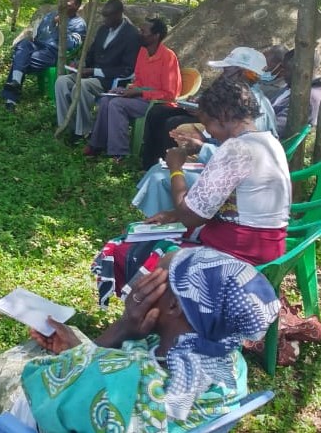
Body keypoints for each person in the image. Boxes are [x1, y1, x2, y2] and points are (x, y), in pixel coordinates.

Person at [0, 248, 279, 433]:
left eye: (157, 275)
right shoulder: (231, 366)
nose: (144, 279)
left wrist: (124, 326)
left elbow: (43, 391)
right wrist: (84, 351)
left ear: (173, 306)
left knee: (9, 368)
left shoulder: (117, 379)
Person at [95, 78, 291, 306]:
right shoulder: (268, 141)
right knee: (147, 236)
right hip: (265, 247)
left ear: (224, 115)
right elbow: (225, 203)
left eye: (207, 124)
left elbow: (191, 215)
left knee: (125, 249)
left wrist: (176, 169)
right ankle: (156, 318)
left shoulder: (236, 148)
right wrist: (172, 214)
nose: (208, 132)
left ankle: (148, 321)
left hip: (239, 254)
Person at [133, 46, 279, 216]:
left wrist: (177, 168)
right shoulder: (245, 106)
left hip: (240, 194)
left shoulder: (250, 111)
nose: (223, 74)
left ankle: (160, 229)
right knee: (158, 171)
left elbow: (191, 216)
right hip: (240, 188)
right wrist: (201, 145)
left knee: (160, 177)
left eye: (227, 70)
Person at [140, 45, 280, 170]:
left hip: (238, 161)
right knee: (159, 111)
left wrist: (204, 143)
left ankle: (169, 166)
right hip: (224, 140)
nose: (224, 71)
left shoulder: (251, 101)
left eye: (228, 68)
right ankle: (150, 165)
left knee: (174, 123)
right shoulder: (233, 88)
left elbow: (242, 148)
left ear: (242, 72)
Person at [85, 18, 181, 160]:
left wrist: (141, 91)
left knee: (117, 105)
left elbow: (170, 94)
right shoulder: (142, 52)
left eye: (143, 32)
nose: (139, 34)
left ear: (156, 36)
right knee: (106, 100)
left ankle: (119, 153)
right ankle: (97, 145)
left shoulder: (168, 57)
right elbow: (139, 80)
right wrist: (125, 89)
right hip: (140, 97)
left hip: (157, 104)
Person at [55, 0, 140, 137]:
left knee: (81, 86)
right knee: (61, 82)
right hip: (91, 75)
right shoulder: (103, 29)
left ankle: (83, 131)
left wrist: (95, 71)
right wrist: (81, 64)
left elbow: (128, 69)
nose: (105, 20)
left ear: (119, 14)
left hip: (110, 80)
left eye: (108, 16)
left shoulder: (131, 35)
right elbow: (92, 53)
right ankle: (66, 124)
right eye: (103, 16)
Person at [2, 0, 87, 112]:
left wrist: (61, 26)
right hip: (38, 45)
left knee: (20, 58)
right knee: (24, 44)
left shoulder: (79, 23)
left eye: (68, 4)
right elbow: (39, 33)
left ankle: (11, 99)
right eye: (62, 2)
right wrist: (52, 22)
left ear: (77, 6)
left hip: (54, 52)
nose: (64, 5)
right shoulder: (51, 15)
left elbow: (71, 45)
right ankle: (15, 81)